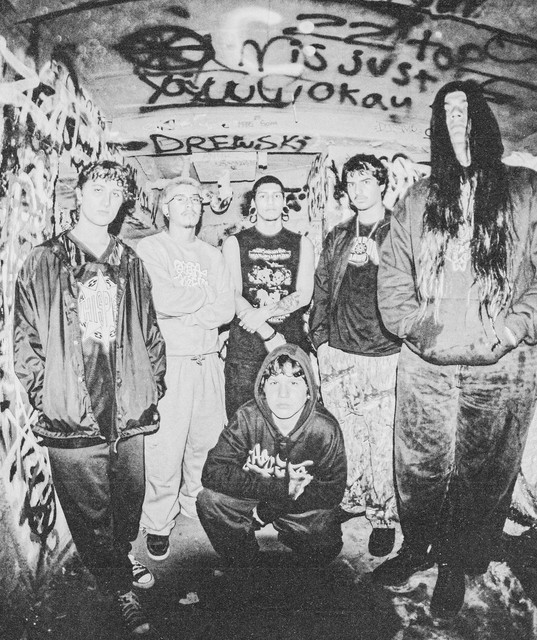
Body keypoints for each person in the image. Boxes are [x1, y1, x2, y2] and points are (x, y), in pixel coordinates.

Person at [374, 79, 537, 618]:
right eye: (445, 110)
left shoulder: (524, 190)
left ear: (483, 117)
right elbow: (393, 277)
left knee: (483, 472)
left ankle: (454, 560)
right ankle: (416, 546)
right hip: (428, 363)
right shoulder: (418, 197)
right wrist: (417, 328)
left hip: (502, 363)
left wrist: (513, 328)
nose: (456, 116)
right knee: (418, 465)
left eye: (465, 106)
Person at [13, 160, 166, 636]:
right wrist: (46, 396)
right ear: (79, 194)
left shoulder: (130, 261)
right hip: (71, 414)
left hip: (128, 409)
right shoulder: (44, 260)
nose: (106, 199)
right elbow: (25, 340)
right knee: (89, 511)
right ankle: (117, 586)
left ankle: (119, 556)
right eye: (97, 188)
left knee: (127, 500)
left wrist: (152, 383)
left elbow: (150, 331)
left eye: (116, 192)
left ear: (123, 202)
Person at [136, 176, 234, 561]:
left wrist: (190, 312)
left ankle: (195, 504)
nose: (190, 205)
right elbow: (160, 298)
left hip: (208, 360)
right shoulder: (151, 247)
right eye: (180, 199)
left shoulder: (212, 254)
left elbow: (226, 308)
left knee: (205, 443)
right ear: (165, 208)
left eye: (196, 199)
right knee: (164, 447)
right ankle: (158, 522)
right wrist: (204, 297)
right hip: (170, 364)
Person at [309, 154, 401, 558]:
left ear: (381, 184)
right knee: (346, 435)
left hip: (383, 352)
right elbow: (321, 287)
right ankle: (352, 497)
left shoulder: (400, 229)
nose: (358, 190)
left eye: (366, 181)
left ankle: (383, 516)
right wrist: (320, 341)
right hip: (339, 351)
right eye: (352, 183)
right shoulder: (339, 234)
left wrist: (380, 259)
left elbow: (415, 285)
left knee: (382, 440)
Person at [197, 344, 346, 569]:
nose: (283, 394)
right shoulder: (247, 417)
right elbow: (212, 472)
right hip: (256, 494)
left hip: (297, 502)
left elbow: (332, 491)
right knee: (210, 500)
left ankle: (289, 532)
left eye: (294, 383)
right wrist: (278, 490)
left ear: (309, 391)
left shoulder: (324, 429)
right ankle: (244, 558)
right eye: (274, 382)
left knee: (324, 547)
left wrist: (270, 510)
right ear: (263, 387)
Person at [222, 175, 315, 419]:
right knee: (243, 420)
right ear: (254, 202)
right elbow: (232, 293)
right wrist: (268, 333)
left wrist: (263, 312)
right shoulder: (235, 243)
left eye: (276, 196)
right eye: (263, 196)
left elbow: (304, 295)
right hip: (246, 348)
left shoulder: (302, 243)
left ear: (284, 201)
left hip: (289, 344)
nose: (270, 201)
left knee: (290, 419)